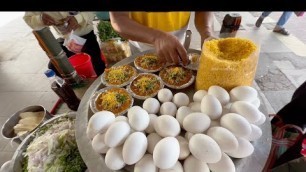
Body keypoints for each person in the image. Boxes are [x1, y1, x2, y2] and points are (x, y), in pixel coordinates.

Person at [109, 12, 215, 66]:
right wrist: (157, 37)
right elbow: (118, 19)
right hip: (140, 43)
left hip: (179, 42)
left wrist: (206, 32)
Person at [23, 12, 106, 76]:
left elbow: (92, 13)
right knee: (55, 68)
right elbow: (28, 18)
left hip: (86, 34)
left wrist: (78, 18)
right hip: (65, 39)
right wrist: (40, 19)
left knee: (97, 67)